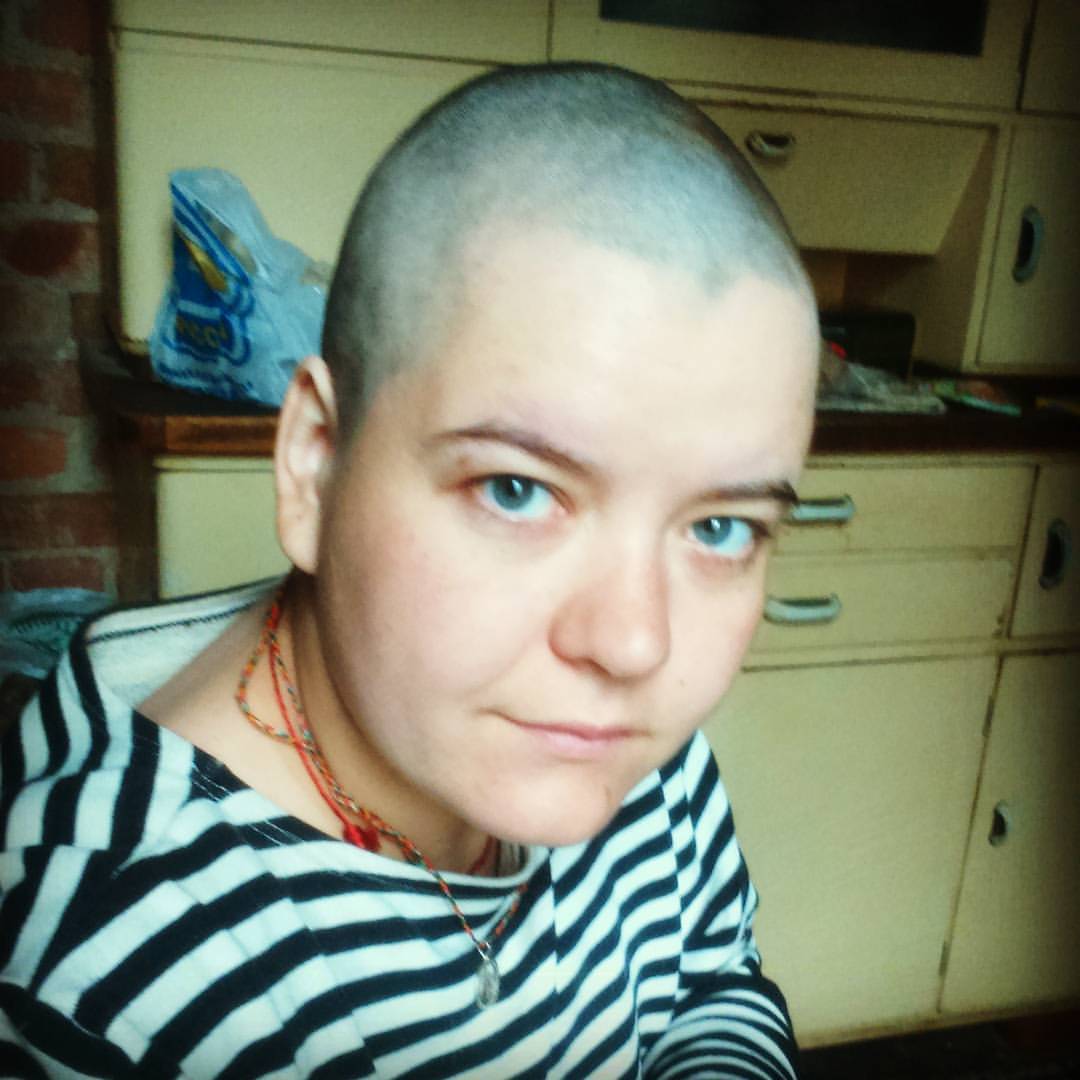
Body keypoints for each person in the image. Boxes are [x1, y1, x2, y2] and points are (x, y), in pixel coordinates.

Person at [0, 63, 818, 1077]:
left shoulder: (603, 730)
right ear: (313, 464)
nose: (634, 643)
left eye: (720, 529)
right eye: (516, 489)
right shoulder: (117, 976)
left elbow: (710, 980)